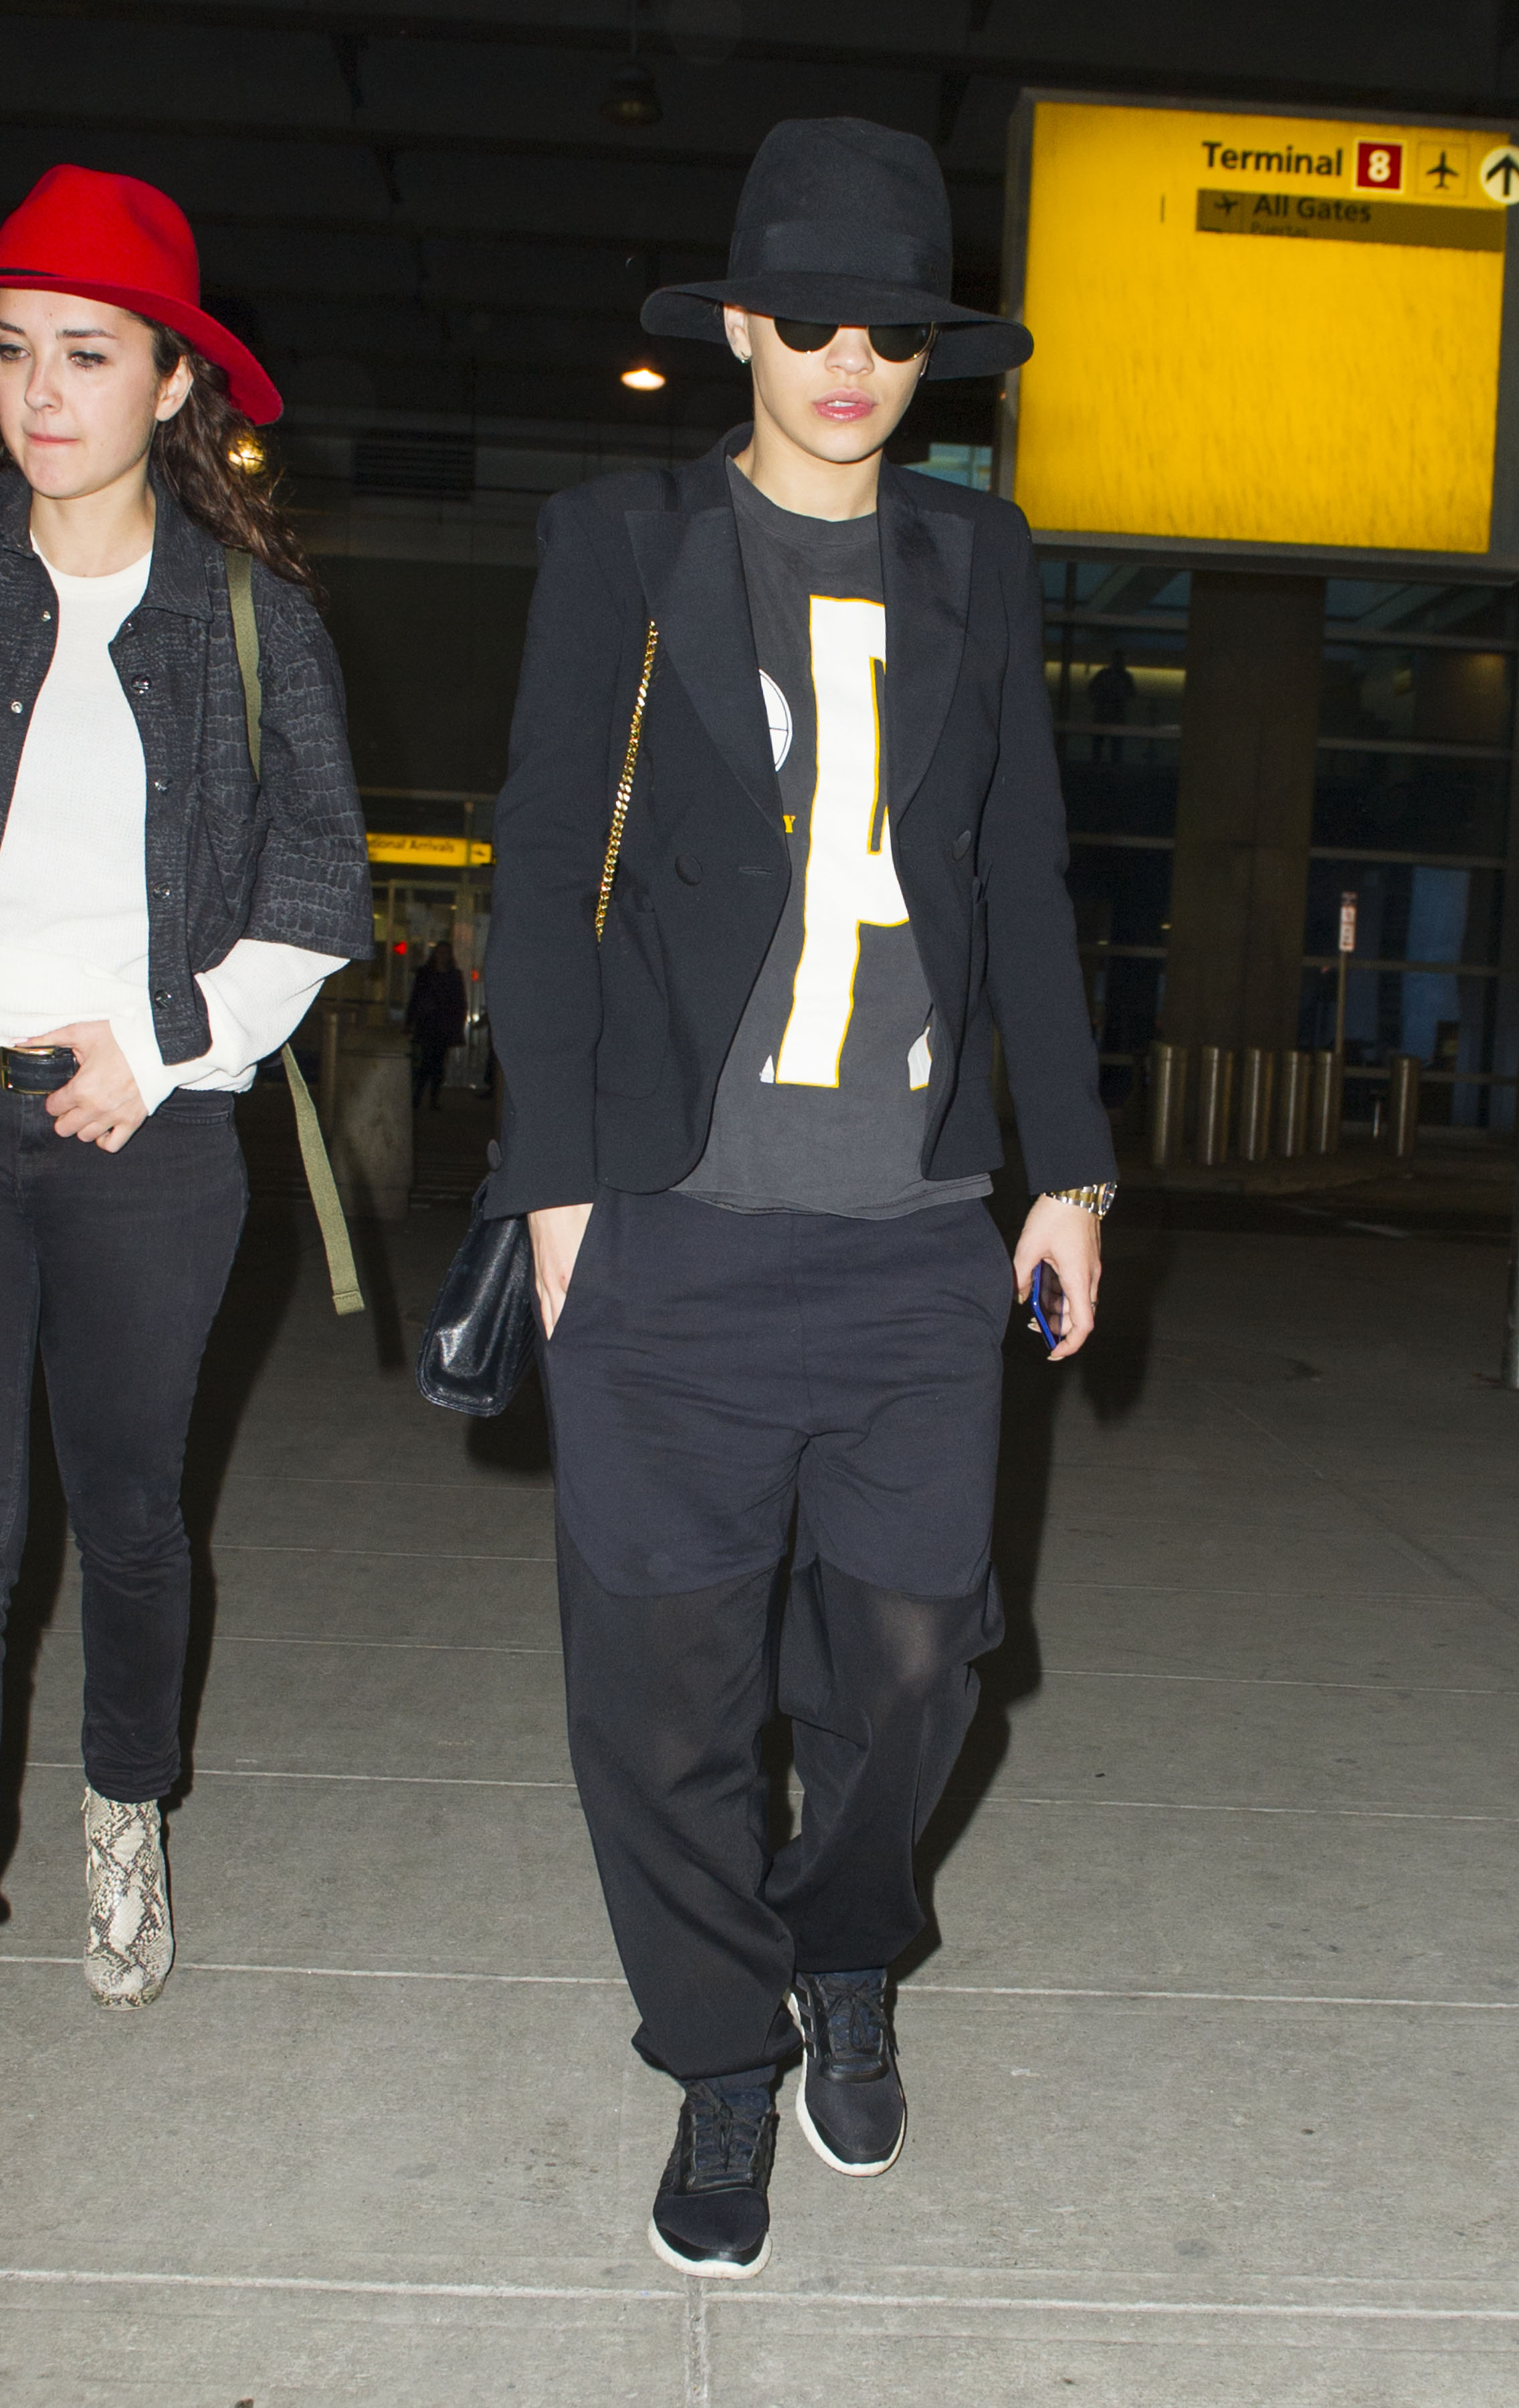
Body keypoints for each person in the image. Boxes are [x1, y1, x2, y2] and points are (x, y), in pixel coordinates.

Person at [485, 118, 1116, 2280]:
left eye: (894, 329)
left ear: (930, 356)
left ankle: (847, 1947)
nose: (852, 361)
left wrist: (1070, 1173)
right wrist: (558, 1187)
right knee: (662, 1705)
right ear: (742, 326)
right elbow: (541, 875)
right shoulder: (624, 541)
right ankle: (721, 2057)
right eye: (814, 318)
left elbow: (1022, 874)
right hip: (670, 1227)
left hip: (913, 1237)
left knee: (919, 1666)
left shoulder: (980, 558)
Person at [0, 167, 372, 2007]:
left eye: (87, 352)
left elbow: (319, 891)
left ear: (169, 384)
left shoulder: (249, 616)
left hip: (152, 1127)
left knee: (127, 1514)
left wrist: (151, 1048)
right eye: (12, 349)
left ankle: (123, 1812)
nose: (40, 390)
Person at [405, 937, 467, 1109]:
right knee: (426, 1062)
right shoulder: (426, 974)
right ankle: (419, 1097)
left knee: (438, 1063)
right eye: (440, 953)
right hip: (428, 1023)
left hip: (443, 1024)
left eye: (445, 953)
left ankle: (432, 1098)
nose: (443, 956)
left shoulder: (453, 975)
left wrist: (458, 1024)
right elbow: (416, 998)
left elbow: (460, 1002)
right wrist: (410, 1021)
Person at [1088, 647, 1136, 763]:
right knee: (1100, 747)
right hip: (1104, 716)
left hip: (1114, 717)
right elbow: (1092, 692)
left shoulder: (1124, 677)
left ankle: (1110, 767)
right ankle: (1097, 766)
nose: (1119, 662)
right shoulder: (1105, 675)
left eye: (1121, 660)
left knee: (1115, 748)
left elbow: (1131, 693)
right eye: (1118, 660)